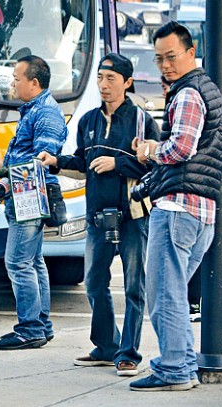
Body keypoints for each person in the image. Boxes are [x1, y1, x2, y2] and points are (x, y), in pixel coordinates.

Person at [37, 53, 158, 377]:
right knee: (93, 282)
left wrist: (117, 163)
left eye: (111, 79)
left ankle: (128, 353)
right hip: (96, 217)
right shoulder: (88, 120)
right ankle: (106, 346)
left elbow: (157, 166)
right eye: (100, 79)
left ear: (127, 83)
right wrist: (56, 161)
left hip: (132, 216)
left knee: (134, 286)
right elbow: (81, 163)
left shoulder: (142, 121)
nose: (104, 85)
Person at [131, 21, 222, 391]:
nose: (165, 66)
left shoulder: (187, 93)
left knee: (164, 293)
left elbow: (182, 148)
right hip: (201, 210)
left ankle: (174, 369)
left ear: (190, 53)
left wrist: (151, 149)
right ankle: (182, 364)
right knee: (175, 293)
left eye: (171, 57)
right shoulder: (208, 90)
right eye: (158, 59)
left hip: (177, 208)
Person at [0, 55, 67, 350]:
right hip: (21, 194)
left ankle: (30, 328)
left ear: (34, 82)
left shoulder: (46, 114)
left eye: (17, 78)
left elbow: (42, 161)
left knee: (18, 262)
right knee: (33, 261)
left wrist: (2, 171)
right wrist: (0, 172)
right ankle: (40, 324)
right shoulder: (33, 110)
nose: (12, 83)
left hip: (30, 196)